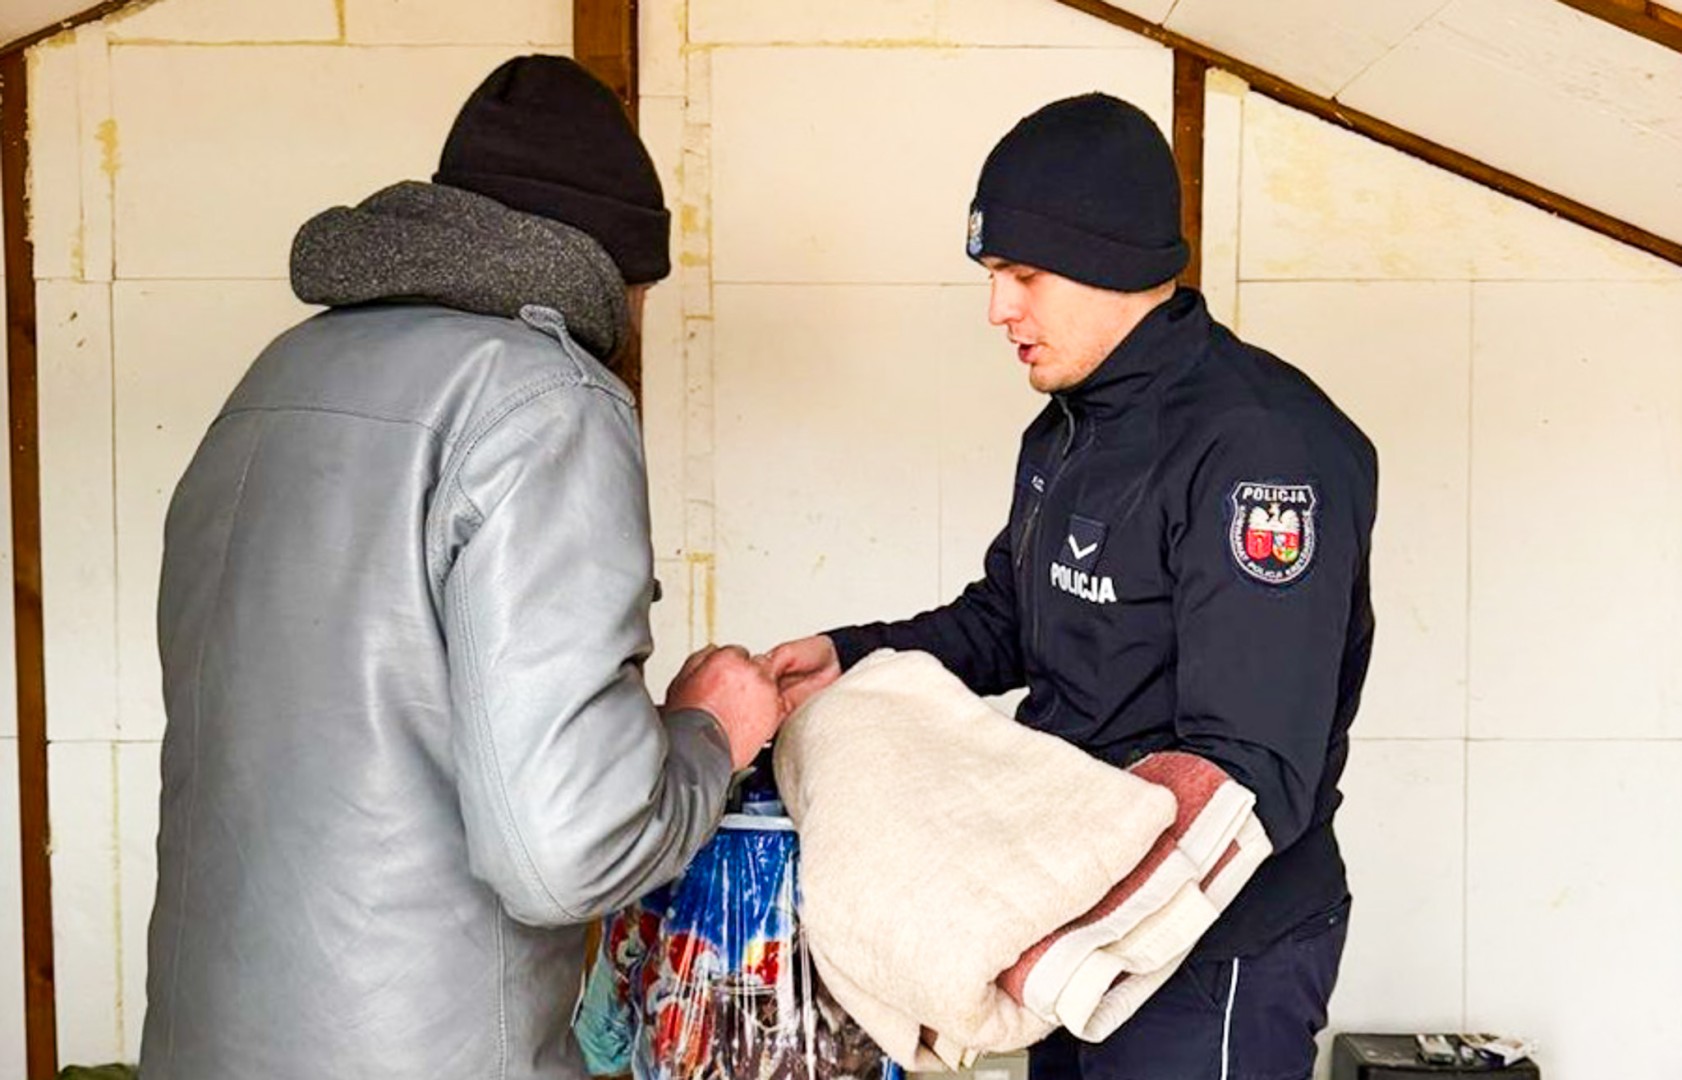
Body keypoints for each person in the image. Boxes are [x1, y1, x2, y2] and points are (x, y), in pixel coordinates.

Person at [139, 56, 784, 1080]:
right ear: (611, 273)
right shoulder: (541, 399)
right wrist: (709, 733)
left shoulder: (272, 380)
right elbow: (566, 851)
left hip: (200, 1041)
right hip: (424, 1048)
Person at [770, 93, 1377, 1080]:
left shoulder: (1259, 448)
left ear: (1110, 259)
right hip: (1079, 920)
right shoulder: (1064, 431)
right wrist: (845, 656)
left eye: (1021, 274)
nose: (997, 309)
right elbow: (1005, 621)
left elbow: (1246, 770)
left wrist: (1047, 949)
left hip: (1205, 948)